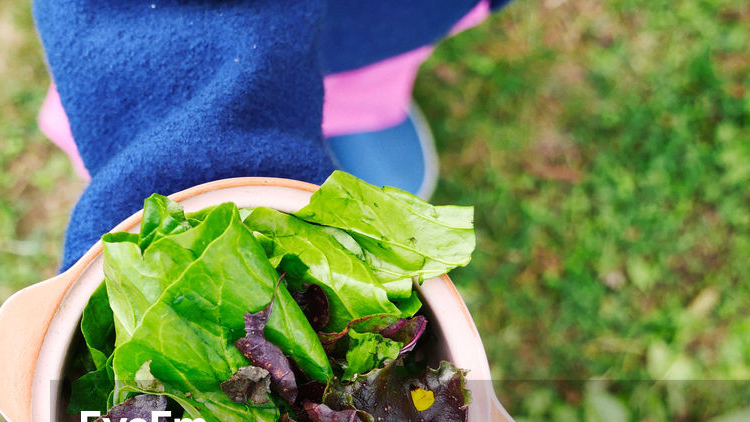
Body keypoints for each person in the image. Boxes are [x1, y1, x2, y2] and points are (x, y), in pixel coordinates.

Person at [33, 0, 510, 268]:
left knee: (370, 103)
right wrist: (172, 183)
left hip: (388, 23)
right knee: (144, 107)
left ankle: (349, 113)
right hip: (170, 66)